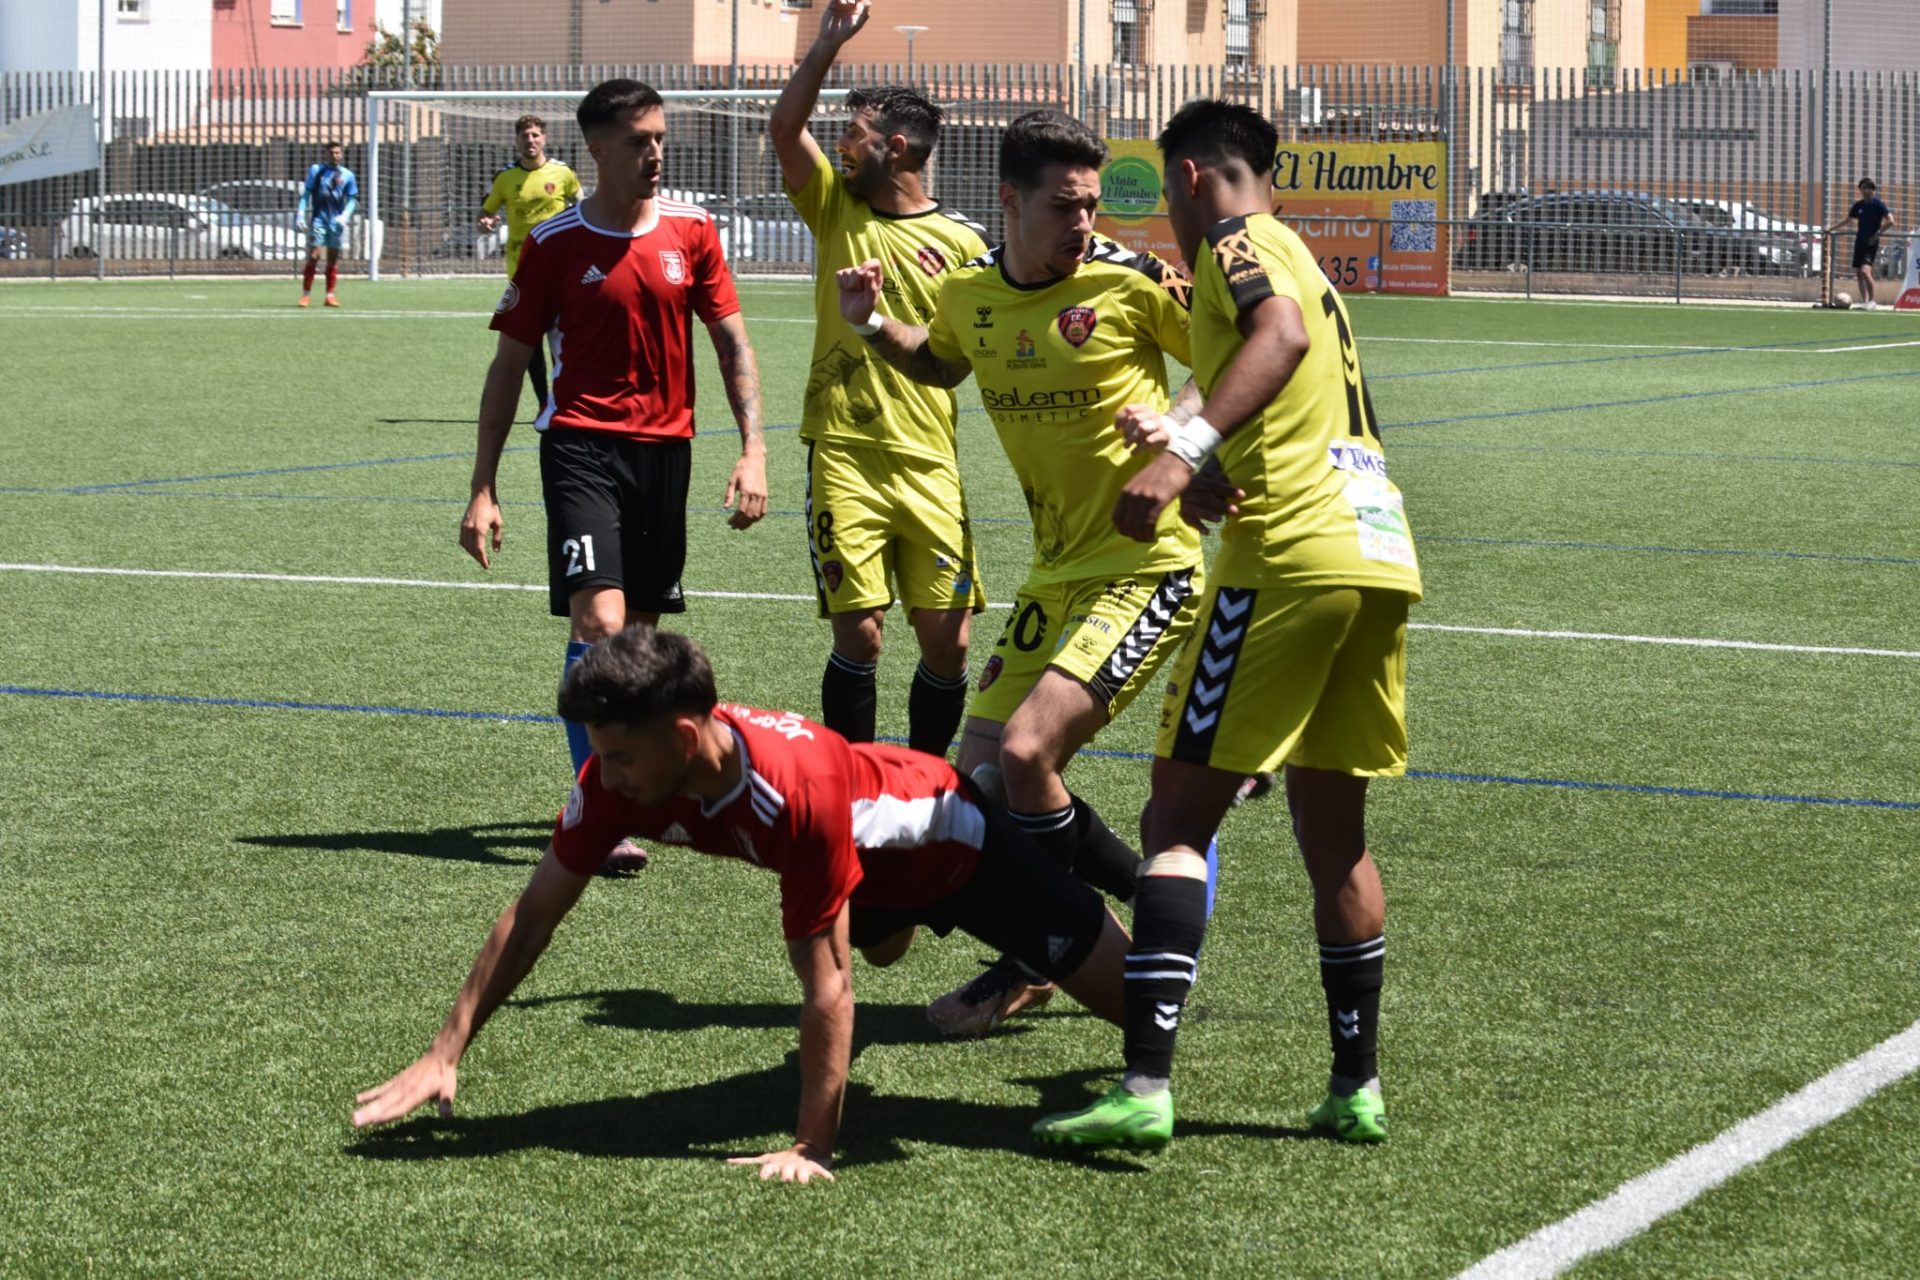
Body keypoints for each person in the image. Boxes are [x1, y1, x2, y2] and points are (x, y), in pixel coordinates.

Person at [351, 625, 1132, 1184]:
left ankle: (1071, 871)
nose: (604, 776)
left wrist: (812, 1146)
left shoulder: (794, 792)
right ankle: (957, 912)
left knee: (1143, 1003)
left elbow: (827, 986)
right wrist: (444, 1052)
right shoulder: (617, 783)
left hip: (953, 842)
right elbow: (531, 921)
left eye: (619, 757)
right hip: (866, 874)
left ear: (686, 739)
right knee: (883, 945)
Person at [1032, 99, 1423, 1151]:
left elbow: (1275, 339)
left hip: (1288, 558)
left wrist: (1179, 456)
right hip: (1376, 551)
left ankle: (1145, 1084)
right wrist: (1208, 456)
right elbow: (1291, 380)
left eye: (1168, 191)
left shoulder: (1236, 243)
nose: (1171, 210)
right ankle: (1355, 1086)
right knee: (1334, 838)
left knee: (1175, 818)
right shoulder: (1301, 255)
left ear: (1192, 177)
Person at [835, 108, 1218, 1037]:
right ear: (1010, 200)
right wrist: (873, 322)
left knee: (1023, 756)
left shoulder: (1130, 279)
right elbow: (942, 361)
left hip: (1149, 563)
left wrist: (1178, 428)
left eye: (1090, 204)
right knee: (975, 787)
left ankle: (1083, 940)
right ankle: (1128, 910)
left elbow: (1230, 350)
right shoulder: (969, 290)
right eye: (1063, 205)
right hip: (1054, 577)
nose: (1083, 222)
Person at [460, 79, 770, 871]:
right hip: (581, 448)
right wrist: (483, 488)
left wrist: (754, 449)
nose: (654, 152)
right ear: (596, 150)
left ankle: (639, 791)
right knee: (598, 627)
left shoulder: (693, 230)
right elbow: (509, 367)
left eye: (659, 137)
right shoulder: (554, 243)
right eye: (638, 141)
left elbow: (732, 344)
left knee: (639, 643)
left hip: (666, 453)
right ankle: (595, 810)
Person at [768, 0, 991, 756]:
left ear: (895, 149)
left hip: (929, 460)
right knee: (860, 637)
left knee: (948, 646)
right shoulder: (834, 205)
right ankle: (856, 784)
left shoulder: (965, 244)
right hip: (844, 453)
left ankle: (925, 785)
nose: (840, 142)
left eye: (854, 133)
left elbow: (958, 359)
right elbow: (784, 129)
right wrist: (826, 47)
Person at [478, 113, 582, 409]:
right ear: (516, 140)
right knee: (529, 343)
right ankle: (543, 402)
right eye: (525, 135)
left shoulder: (563, 173)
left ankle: (563, 399)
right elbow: (485, 214)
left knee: (564, 341)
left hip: (561, 273)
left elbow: (583, 207)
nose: (530, 140)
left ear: (544, 138)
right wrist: (485, 222)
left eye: (535, 134)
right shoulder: (505, 177)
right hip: (521, 273)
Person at [297, 141, 358, 308]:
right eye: (331, 153)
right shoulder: (317, 170)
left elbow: (352, 199)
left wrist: (345, 215)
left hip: (336, 223)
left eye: (337, 153)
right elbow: (306, 194)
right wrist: (300, 214)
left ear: (341, 154)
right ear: (326, 154)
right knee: (314, 255)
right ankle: (306, 295)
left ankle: (329, 296)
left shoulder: (348, 175)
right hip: (319, 220)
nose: (334, 156)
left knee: (332, 259)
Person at [1828, 178, 1896, 311]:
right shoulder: (1858, 206)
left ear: (1873, 190)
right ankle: (1865, 302)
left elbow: (1890, 221)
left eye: (1869, 188)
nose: (1866, 191)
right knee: (1859, 273)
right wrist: (1831, 229)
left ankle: (1872, 301)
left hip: (1870, 244)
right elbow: (1848, 220)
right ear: (1860, 190)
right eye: (1864, 188)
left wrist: (1877, 234)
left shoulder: (1878, 204)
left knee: (1865, 271)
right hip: (1859, 243)